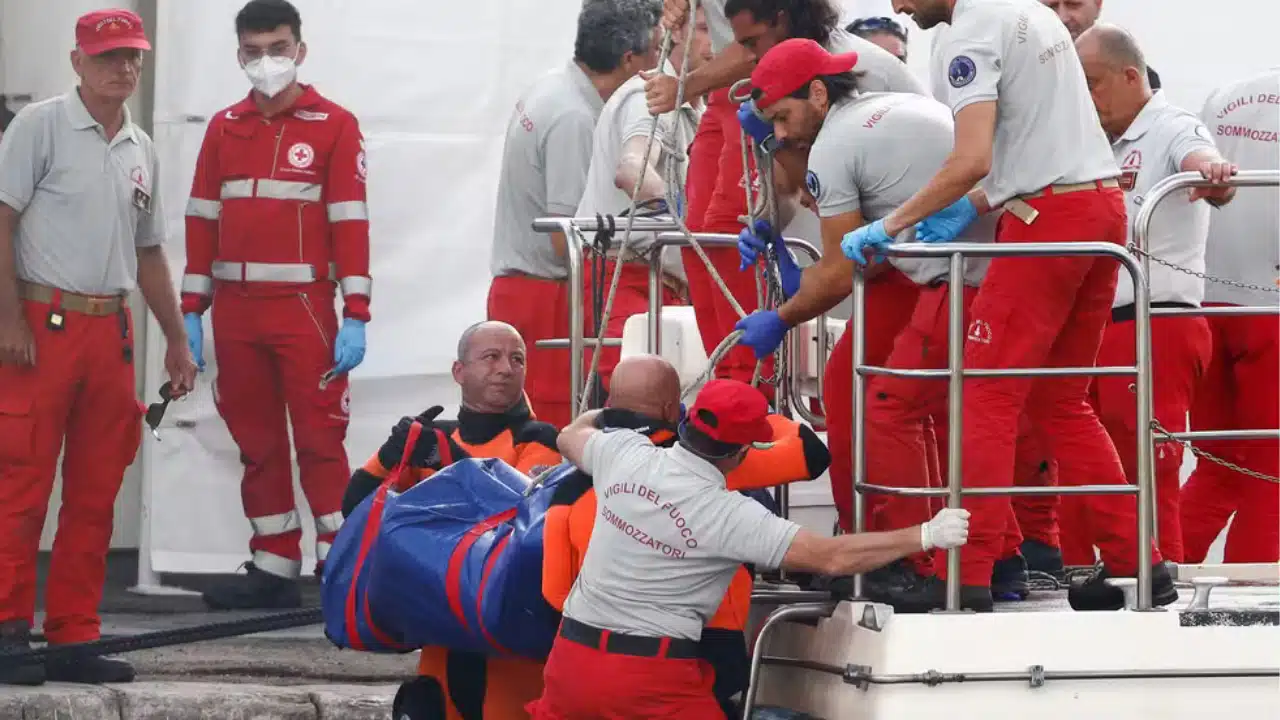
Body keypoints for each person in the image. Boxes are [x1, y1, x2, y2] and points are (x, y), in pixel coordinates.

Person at [843, 0, 1176, 611]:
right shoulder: (1033, 13)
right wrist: (974, 204)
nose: (897, 7)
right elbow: (1037, 137)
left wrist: (892, 222)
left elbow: (972, 155)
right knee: (1062, 400)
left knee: (985, 394)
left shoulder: (969, 34)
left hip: (1046, 220)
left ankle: (966, 575)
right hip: (1100, 209)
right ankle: (1140, 562)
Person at [732, 38, 1038, 611]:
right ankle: (997, 554)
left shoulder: (833, 147)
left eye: (783, 118)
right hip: (995, 267)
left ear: (818, 94)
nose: (784, 135)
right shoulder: (884, 108)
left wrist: (777, 318)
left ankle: (906, 561)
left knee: (888, 406)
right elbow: (863, 257)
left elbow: (841, 272)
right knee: (935, 409)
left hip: (965, 279)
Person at [526, 379, 969, 717]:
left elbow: (569, 434)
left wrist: (608, 413)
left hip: (570, 662)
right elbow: (830, 556)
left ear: (683, 421)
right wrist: (925, 535)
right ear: (744, 451)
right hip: (650, 681)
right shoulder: (731, 515)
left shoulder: (624, 453)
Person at [0, 9, 197, 685]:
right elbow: (1, 219)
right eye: (111, 55)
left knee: (95, 490)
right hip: (40, 321)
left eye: (133, 55)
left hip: (109, 329)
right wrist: (8, 320)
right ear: (78, 61)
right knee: (20, 483)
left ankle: (73, 635)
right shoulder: (41, 125)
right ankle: (4, 630)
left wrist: (175, 338)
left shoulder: (140, 146)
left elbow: (148, 252)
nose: (126, 67)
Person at [181, 0, 372, 610]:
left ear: (300, 50)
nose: (268, 61)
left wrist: (357, 313)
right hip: (235, 312)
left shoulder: (334, 124)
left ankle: (337, 565)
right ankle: (273, 562)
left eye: (279, 47)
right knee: (256, 441)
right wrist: (191, 308)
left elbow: (351, 223)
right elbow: (201, 220)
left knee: (320, 440)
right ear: (240, 55)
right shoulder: (223, 126)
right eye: (256, 50)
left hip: (305, 309)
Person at [650, 0, 925, 392]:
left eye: (779, 120)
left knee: (874, 398)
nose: (748, 55)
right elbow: (796, 188)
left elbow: (839, 262)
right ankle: (729, 387)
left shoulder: (839, 93)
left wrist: (782, 318)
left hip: (922, 256)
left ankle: (750, 392)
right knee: (706, 236)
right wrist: (770, 229)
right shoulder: (806, 94)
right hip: (899, 243)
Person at [541, 355, 831, 718]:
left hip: (578, 656)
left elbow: (552, 591)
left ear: (610, 403)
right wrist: (762, 418)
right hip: (696, 654)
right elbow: (812, 453)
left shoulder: (576, 475)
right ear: (672, 408)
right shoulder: (716, 462)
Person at [1072, 24, 1235, 565]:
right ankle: (1087, 572)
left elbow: (1201, 159)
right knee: (1081, 462)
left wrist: (1210, 173)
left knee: (1151, 464)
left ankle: (1157, 584)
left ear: (1130, 76)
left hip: (1154, 320)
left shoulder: (1171, 126)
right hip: (1094, 326)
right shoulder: (1088, 138)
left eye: (1092, 84)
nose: (1087, 99)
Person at [342, 321, 561, 720]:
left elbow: (521, 521)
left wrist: (449, 462)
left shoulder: (540, 439)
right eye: (490, 357)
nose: (505, 368)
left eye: (517, 359)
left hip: (509, 644)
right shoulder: (434, 437)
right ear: (459, 372)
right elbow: (354, 507)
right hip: (440, 638)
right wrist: (393, 457)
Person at [487, 0, 663, 427]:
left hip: (523, 286)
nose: (660, 62)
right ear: (629, 60)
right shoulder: (577, 119)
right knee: (553, 430)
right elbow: (567, 236)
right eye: (656, 50)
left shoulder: (552, 86)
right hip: (549, 294)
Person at [573, 4, 712, 395]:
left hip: (665, 282)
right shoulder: (648, 94)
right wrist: (687, 222)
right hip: (625, 278)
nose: (715, 41)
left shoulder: (697, 107)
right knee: (637, 402)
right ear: (678, 32)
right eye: (703, 28)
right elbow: (631, 169)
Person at [1180, 67, 1280, 564]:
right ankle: (1251, 592)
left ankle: (1162, 572)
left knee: (1219, 468)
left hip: (1206, 300)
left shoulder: (1225, 95)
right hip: (1270, 305)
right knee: (1272, 470)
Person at [1038, 0, 1161, 88]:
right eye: (1052, 7)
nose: (1062, 17)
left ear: (1098, 4)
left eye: (1073, 5)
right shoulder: (1025, 75)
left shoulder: (1141, 82)